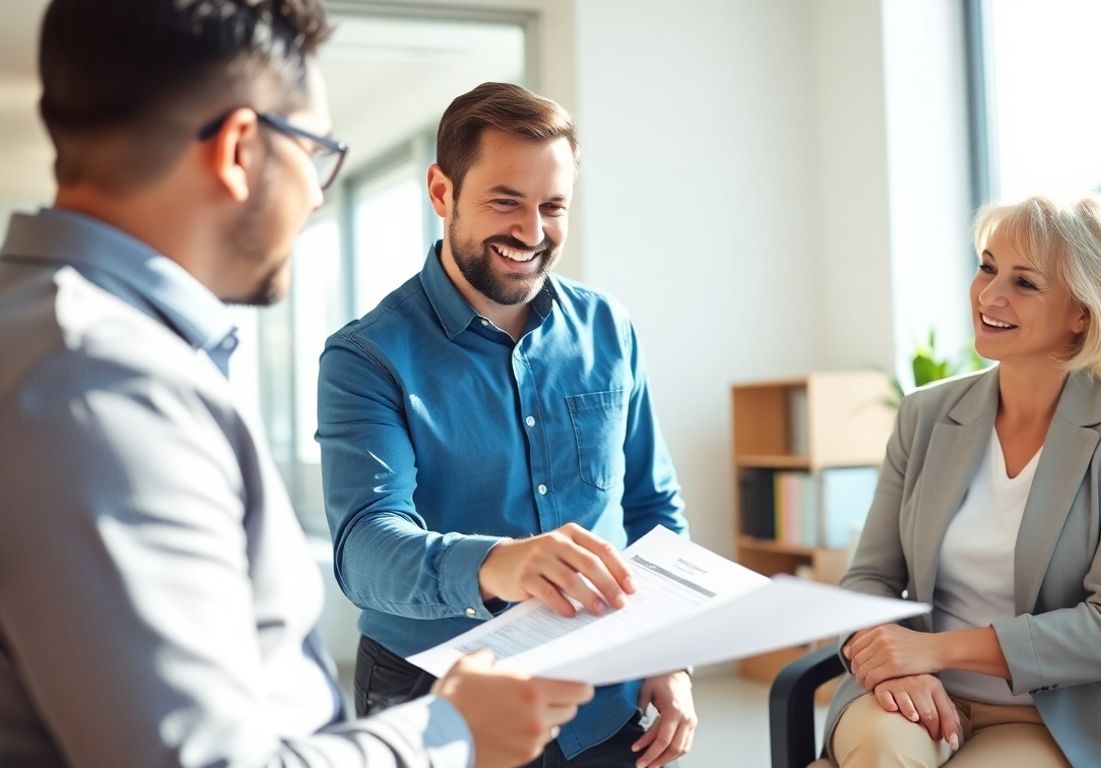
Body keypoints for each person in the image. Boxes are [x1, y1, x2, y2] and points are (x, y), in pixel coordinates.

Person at [0, 2, 591, 766]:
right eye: (314, 153)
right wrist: (449, 732)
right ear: (241, 149)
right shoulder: (100, 385)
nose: (316, 195)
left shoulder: (64, 340)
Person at [315, 82, 695, 768]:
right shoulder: (366, 357)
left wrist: (671, 658)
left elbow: (651, 510)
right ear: (441, 192)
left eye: (553, 207)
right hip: (434, 699)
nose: (531, 232)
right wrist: (499, 564)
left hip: (607, 692)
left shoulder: (609, 329)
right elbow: (364, 550)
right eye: (504, 202)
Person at [824, 193, 1101, 768]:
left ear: (1084, 311)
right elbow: (870, 578)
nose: (989, 295)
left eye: (1025, 283)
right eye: (987, 266)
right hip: (916, 694)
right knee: (879, 755)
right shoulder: (926, 415)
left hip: (1059, 713)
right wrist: (887, 663)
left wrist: (932, 649)